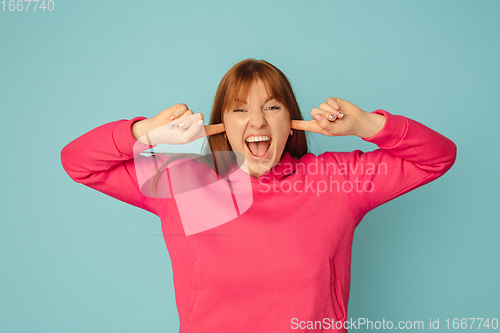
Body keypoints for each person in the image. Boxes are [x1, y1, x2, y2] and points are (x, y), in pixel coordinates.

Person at [60, 58, 457, 332]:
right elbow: (78, 163)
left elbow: (437, 159)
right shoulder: (182, 180)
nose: (257, 121)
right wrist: (144, 134)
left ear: (292, 120)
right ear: (219, 125)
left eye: (271, 106)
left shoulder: (338, 179)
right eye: (239, 110)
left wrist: (367, 124)